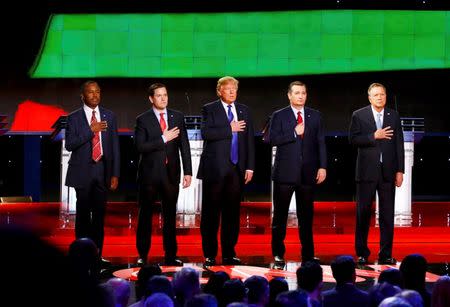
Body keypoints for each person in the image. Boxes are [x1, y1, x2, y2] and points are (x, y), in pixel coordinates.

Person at [197, 76, 255, 267]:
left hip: (236, 169)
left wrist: (249, 166)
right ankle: (210, 254)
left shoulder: (244, 110)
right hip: (215, 169)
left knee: (232, 214)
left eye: (234, 89)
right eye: (228, 89)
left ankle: (229, 253)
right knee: (211, 214)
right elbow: (206, 133)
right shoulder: (209, 109)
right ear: (219, 91)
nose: (231, 92)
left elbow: (249, 141)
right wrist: (229, 128)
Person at [268, 81, 327, 269]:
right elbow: (271, 139)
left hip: (308, 174)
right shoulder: (279, 115)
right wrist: (293, 132)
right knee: (280, 217)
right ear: (289, 95)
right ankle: (278, 254)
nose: (301, 96)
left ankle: (308, 254)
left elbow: (320, 143)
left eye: (303, 92)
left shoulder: (315, 116)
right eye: (297, 93)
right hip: (285, 174)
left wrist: (322, 166)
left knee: (306, 217)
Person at [134, 83, 192, 266]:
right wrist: (163, 139)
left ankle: (171, 254)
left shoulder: (177, 117)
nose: (163, 98)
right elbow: (140, 146)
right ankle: (143, 254)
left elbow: (184, 146)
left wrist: (188, 171)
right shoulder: (143, 120)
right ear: (151, 98)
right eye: (159, 95)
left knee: (170, 216)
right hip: (149, 175)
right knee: (145, 216)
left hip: (171, 174)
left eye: (165, 94)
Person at [65, 80, 120, 265]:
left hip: (102, 171)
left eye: (97, 92)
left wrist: (114, 174)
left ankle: (97, 255)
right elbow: (70, 144)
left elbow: (114, 146)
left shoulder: (109, 116)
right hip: (82, 172)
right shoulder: (73, 117)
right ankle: (81, 257)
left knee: (99, 217)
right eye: (91, 92)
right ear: (83, 96)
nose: (95, 95)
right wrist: (91, 130)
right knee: (82, 217)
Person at [349, 82, 404, 265]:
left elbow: (399, 144)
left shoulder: (393, 115)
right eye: (376, 95)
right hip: (366, 172)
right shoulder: (359, 115)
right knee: (363, 213)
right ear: (370, 97)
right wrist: (373, 136)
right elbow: (353, 139)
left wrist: (400, 170)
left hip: (388, 172)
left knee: (388, 215)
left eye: (382, 94)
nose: (380, 97)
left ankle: (385, 254)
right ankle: (362, 253)